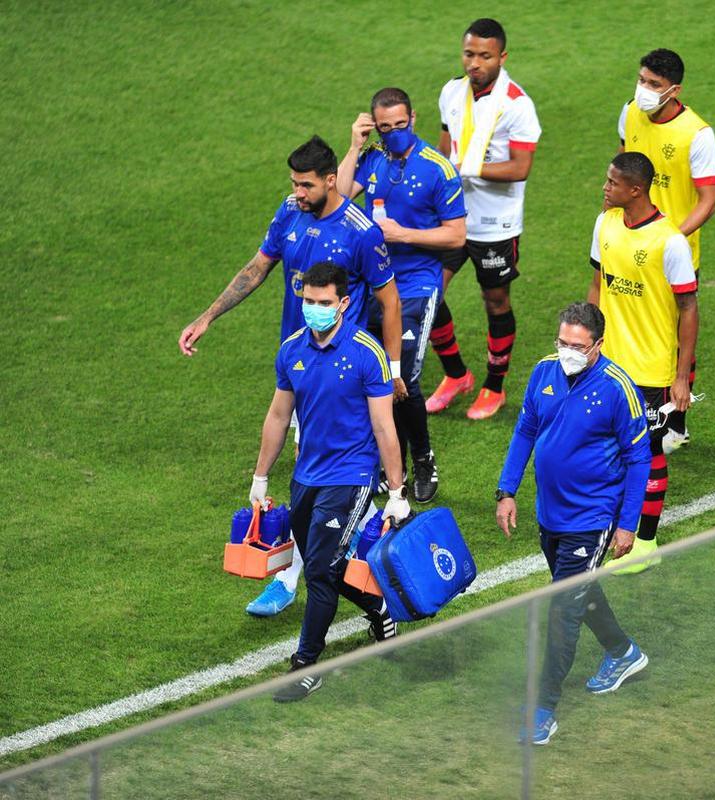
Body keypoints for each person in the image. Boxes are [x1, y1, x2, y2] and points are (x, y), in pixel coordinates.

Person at [179, 136, 403, 617]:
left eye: (305, 185)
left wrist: (393, 367)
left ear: (330, 180)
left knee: (326, 471)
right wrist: (207, 317)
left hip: (348, 371)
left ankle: (295, 575)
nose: (297, 193)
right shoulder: (289, 213)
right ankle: (341, 564)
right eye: (294, 184)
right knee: (313, 473)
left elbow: (389, 300)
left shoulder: (361, 232)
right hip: (300, 364)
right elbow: (258, 267)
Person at [251, 263, 410, 702]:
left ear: (343, 304)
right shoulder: (291, 351)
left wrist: (396, 493)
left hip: (352, 477)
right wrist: (260, 477)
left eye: (324, 303)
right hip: (306, 477)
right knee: (329, 565)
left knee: (319, 571)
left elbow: (384, 428)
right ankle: (379, 609)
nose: (315, 310)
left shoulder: (366, 352)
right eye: (308, 302)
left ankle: (306, 665)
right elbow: (279, 416)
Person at [496, 302, 651, 745]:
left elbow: (639, 458)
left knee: (562, 608)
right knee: (578, 589)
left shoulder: (619, 389)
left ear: (598, 345)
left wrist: (626, 524)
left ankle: (543, 708)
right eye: (562, 342)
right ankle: (623, 652)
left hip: (593, 516)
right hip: (551, 514)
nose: (567, 351)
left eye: (577, 346)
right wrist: (507, 491)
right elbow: (525, 431)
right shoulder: (544, 372)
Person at [337, 87, 468, 503]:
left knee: (403, 378)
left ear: (413, 119)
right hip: (372, 282)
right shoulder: (373, 158)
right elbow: (338, 197)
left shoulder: (437, 168)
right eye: (384, 127)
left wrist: (402, 234)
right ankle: (380, 459)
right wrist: (354, 146)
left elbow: (457, 235)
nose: (393, 133)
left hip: (415, 284)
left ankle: (423, 458)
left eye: (399, 125)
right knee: (368, 375)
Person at [587, 152, 698, 575]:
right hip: (607, 363)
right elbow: (599, 283)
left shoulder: (669, 241)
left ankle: (646, 542)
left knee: (649, 454)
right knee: (608, 447)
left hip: (650, 369)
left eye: (613, 182)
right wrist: (586, 342)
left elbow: (688, 309)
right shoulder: (605, 224)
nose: (605, 187)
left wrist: (681, 375)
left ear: (635, 189)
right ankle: (617, 528)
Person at [429, 17, 542, 420]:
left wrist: (468, 167)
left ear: (502, 57)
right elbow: (445, 149)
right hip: (452, 217)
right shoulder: (451, 92)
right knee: (426, 295)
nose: (474, 63)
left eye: (484, 56)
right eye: (469, 53)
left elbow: (520, 167)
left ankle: (494, 386)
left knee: (495, 301)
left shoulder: (517, 104)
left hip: (497, 224)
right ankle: (456, 375)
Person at [618, 48, 715, 445]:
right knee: (634, 328)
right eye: (642, 80)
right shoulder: (629, 112)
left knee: (677, 334)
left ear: (673, 90)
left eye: (654, 85)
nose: (643, 90)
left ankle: (676, 418)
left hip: (673, 252)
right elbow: (624, 172)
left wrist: (672, 239)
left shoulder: (697, 133)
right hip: (629, 244)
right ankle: (636, 412)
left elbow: (708, 199)